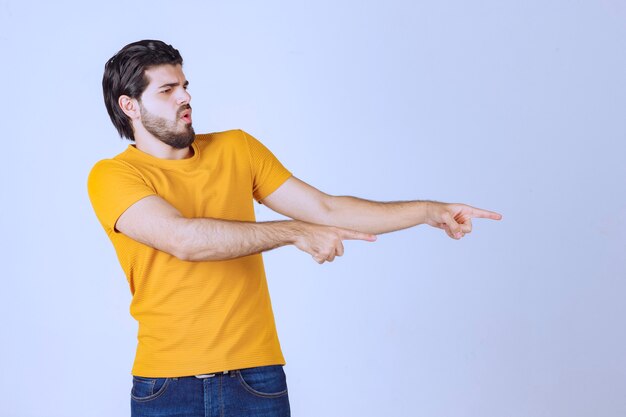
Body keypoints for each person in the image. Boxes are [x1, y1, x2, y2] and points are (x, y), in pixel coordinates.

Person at [87, 39, 502, 417]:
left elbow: (325, 208)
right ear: (130, 106)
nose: (186, 97)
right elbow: (184, 240)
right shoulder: (112, 177)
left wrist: (429, 211)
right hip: (167, 385)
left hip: (257, 377)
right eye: (168, 90)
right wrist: (294, 232)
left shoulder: (237, 148)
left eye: (185, 85)